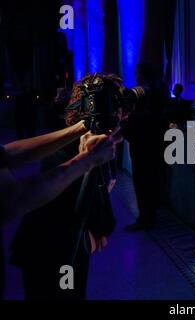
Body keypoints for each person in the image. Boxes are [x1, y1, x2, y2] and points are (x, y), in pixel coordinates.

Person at [10, 74, 124, 300]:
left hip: (64, 250)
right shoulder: (69, 151)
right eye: (116, 104)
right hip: (52, 254)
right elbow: (25, 199)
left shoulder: (87, 142)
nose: (122, 113)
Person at [123, 62, 170, 231]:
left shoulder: (143, 94)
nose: (136, 76)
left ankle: (146, 217)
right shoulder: (161, 90)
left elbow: (136, 121)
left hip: (142, 145)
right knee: (153, 179)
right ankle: (152, 213)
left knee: (142, 182)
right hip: (157, 143)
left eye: (137, 72)